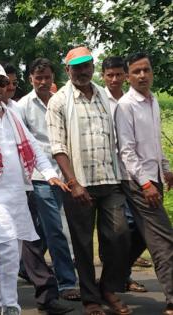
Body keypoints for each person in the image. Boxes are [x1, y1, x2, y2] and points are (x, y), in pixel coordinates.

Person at [0, 62, 72, 315]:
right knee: (8, 250)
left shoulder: (12, 113)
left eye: (2, 83)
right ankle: (11, 305)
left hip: (18, 193)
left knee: (11, 252)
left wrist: (51, 174)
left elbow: (34, 148)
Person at [46, 46, 131, 315]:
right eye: (77, 67)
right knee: (83, 245)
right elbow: (58, 147)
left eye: (86, 65)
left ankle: (107, 287)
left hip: (110, 178)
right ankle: (91, 300)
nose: (83, 71)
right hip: (79, 184)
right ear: (68, 69)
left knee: (119, 235)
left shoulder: (105, 96)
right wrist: (73, 183)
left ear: (92, 66)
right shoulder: (59, 101)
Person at [16, 58, 80, 301]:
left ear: (54, 77)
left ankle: (26, 266)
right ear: (30, 79)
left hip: (67, 173)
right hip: (40, 176)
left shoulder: (62, 102)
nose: (43, 82)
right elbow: (22, 145)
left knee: (45, 227)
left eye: (47, 77)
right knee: (56, 229)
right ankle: (66, 282)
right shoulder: (23, 106)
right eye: (38, 77)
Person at [115, 52, 173, 315]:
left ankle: (108, 282)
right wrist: (147, 184)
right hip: (139, 183)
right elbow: (126, 151)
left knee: (138, 237)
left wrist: (165, 170)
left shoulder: (153, 103)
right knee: (164, 241)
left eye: (146, 70)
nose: (142, 76)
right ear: (128, 76)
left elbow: (155, 144)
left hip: (154, 178)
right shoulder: (126, 105)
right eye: (136, 71)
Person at [101, 56, 149, 293]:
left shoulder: (138, 100)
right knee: (120, 231)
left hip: (137, 174)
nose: (115, 79)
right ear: (103, 76)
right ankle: (114, 280)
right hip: (113, 175)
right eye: (110, 75)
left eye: (119, 74)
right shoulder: (100, 99)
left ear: (126, 75)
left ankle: (121, 275)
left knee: (141, 231)